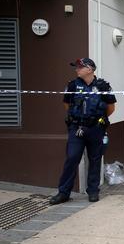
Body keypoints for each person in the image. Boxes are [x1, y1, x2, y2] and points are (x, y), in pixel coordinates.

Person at [49, 58, 116, 205]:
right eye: (76, 67)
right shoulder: (72, 85)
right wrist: (79, 119)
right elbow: (67, 105)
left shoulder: (103, 85)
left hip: (96, 129)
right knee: (72, 158)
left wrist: (95, 120)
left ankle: (92, 190)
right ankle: (63, 192)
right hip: (76, 129)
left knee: (95, 159)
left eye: (80, 67)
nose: (76, 69)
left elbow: (110, 108)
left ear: (90, 69)